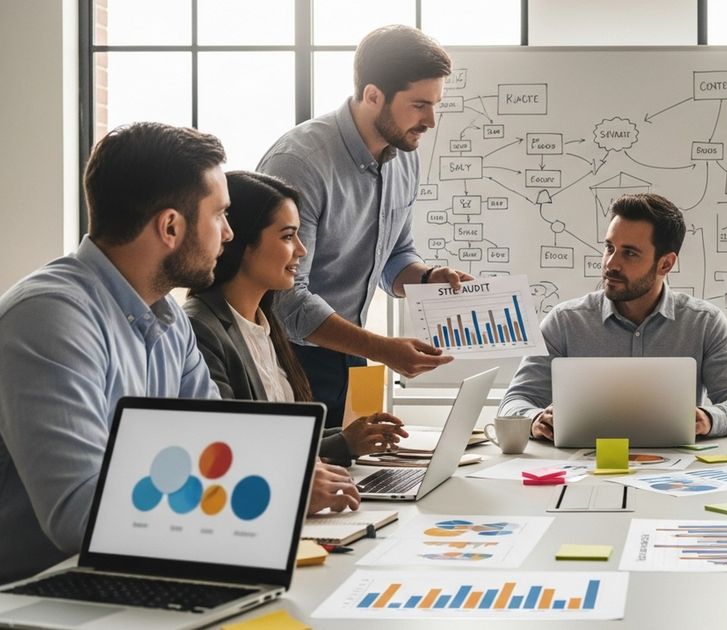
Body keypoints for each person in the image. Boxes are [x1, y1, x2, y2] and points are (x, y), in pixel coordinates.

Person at [0, 122, 230, 583]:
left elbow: (220, 448)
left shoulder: (168, 316)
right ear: (170, 226)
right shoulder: (50, 316)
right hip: (40, 594)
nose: (227, 233)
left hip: (142, 567)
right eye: (220, 214)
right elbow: (81, 516)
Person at [258, 25, 472, 427]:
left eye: (435, 104)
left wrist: (426, 278)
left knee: (357, 472)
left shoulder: (404, 154)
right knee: (306, 478)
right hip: (292, 354)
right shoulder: (299, 164)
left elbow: (394, 253)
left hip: (352, 349)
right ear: (373, 95)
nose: (430, 120)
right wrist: (383, 348)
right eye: (419, 105)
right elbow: (285, 300)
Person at [185, 170, 409, 475]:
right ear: (242, 243)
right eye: (288, 236)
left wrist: (353, 437)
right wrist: (342, 444)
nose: (301, 250)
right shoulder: (200, 329)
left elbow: (281, 436)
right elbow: (234, 449)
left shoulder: (267, 325)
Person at [499, 193, 727, 439]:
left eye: (630, 253)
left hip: (676, 474)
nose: (611, 264)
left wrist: (708, 419)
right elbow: (514, 402)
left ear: (665, 264)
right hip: (581, 468)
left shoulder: (704, 323)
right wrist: (535, 420)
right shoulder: (565, 321)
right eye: (609, 247)